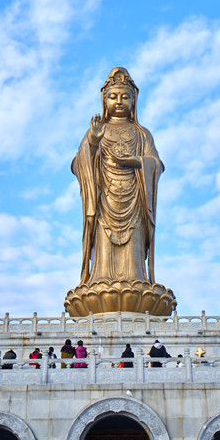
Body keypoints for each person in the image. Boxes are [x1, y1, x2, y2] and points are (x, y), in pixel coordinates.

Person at [71, 68, 164, 288]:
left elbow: (156, 164)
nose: (119, 102)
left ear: (133, 101)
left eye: (125, 97)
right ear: (105, 101)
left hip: (135, 203)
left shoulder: (142, 134)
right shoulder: (97, 129)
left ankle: (137, 280)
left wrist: (137, 161)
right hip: (105, 202)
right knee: (104, 254)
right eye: (113, 97)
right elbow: (78, 164)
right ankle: (100, 280)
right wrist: (93, 142)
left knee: (133, 257)